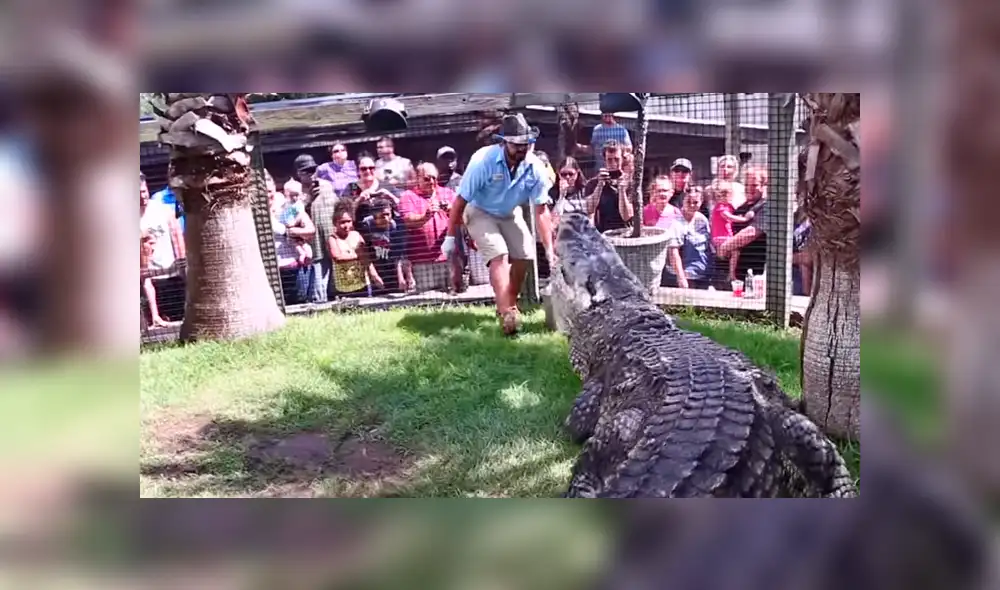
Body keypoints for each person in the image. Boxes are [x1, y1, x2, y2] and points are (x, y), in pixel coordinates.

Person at [441, 113, 556, 336]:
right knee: (499, 255)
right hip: (479, 210)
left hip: (509, 211)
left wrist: (550, 250)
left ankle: (509, 302)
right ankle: (508, 316)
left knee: (525, 256)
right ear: (504, 142)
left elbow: (541, 211)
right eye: (517, 144)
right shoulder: (482, 162)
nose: (522, 149)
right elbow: (459, 202)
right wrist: (450, 237)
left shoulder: (535, 168)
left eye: (526, 144)